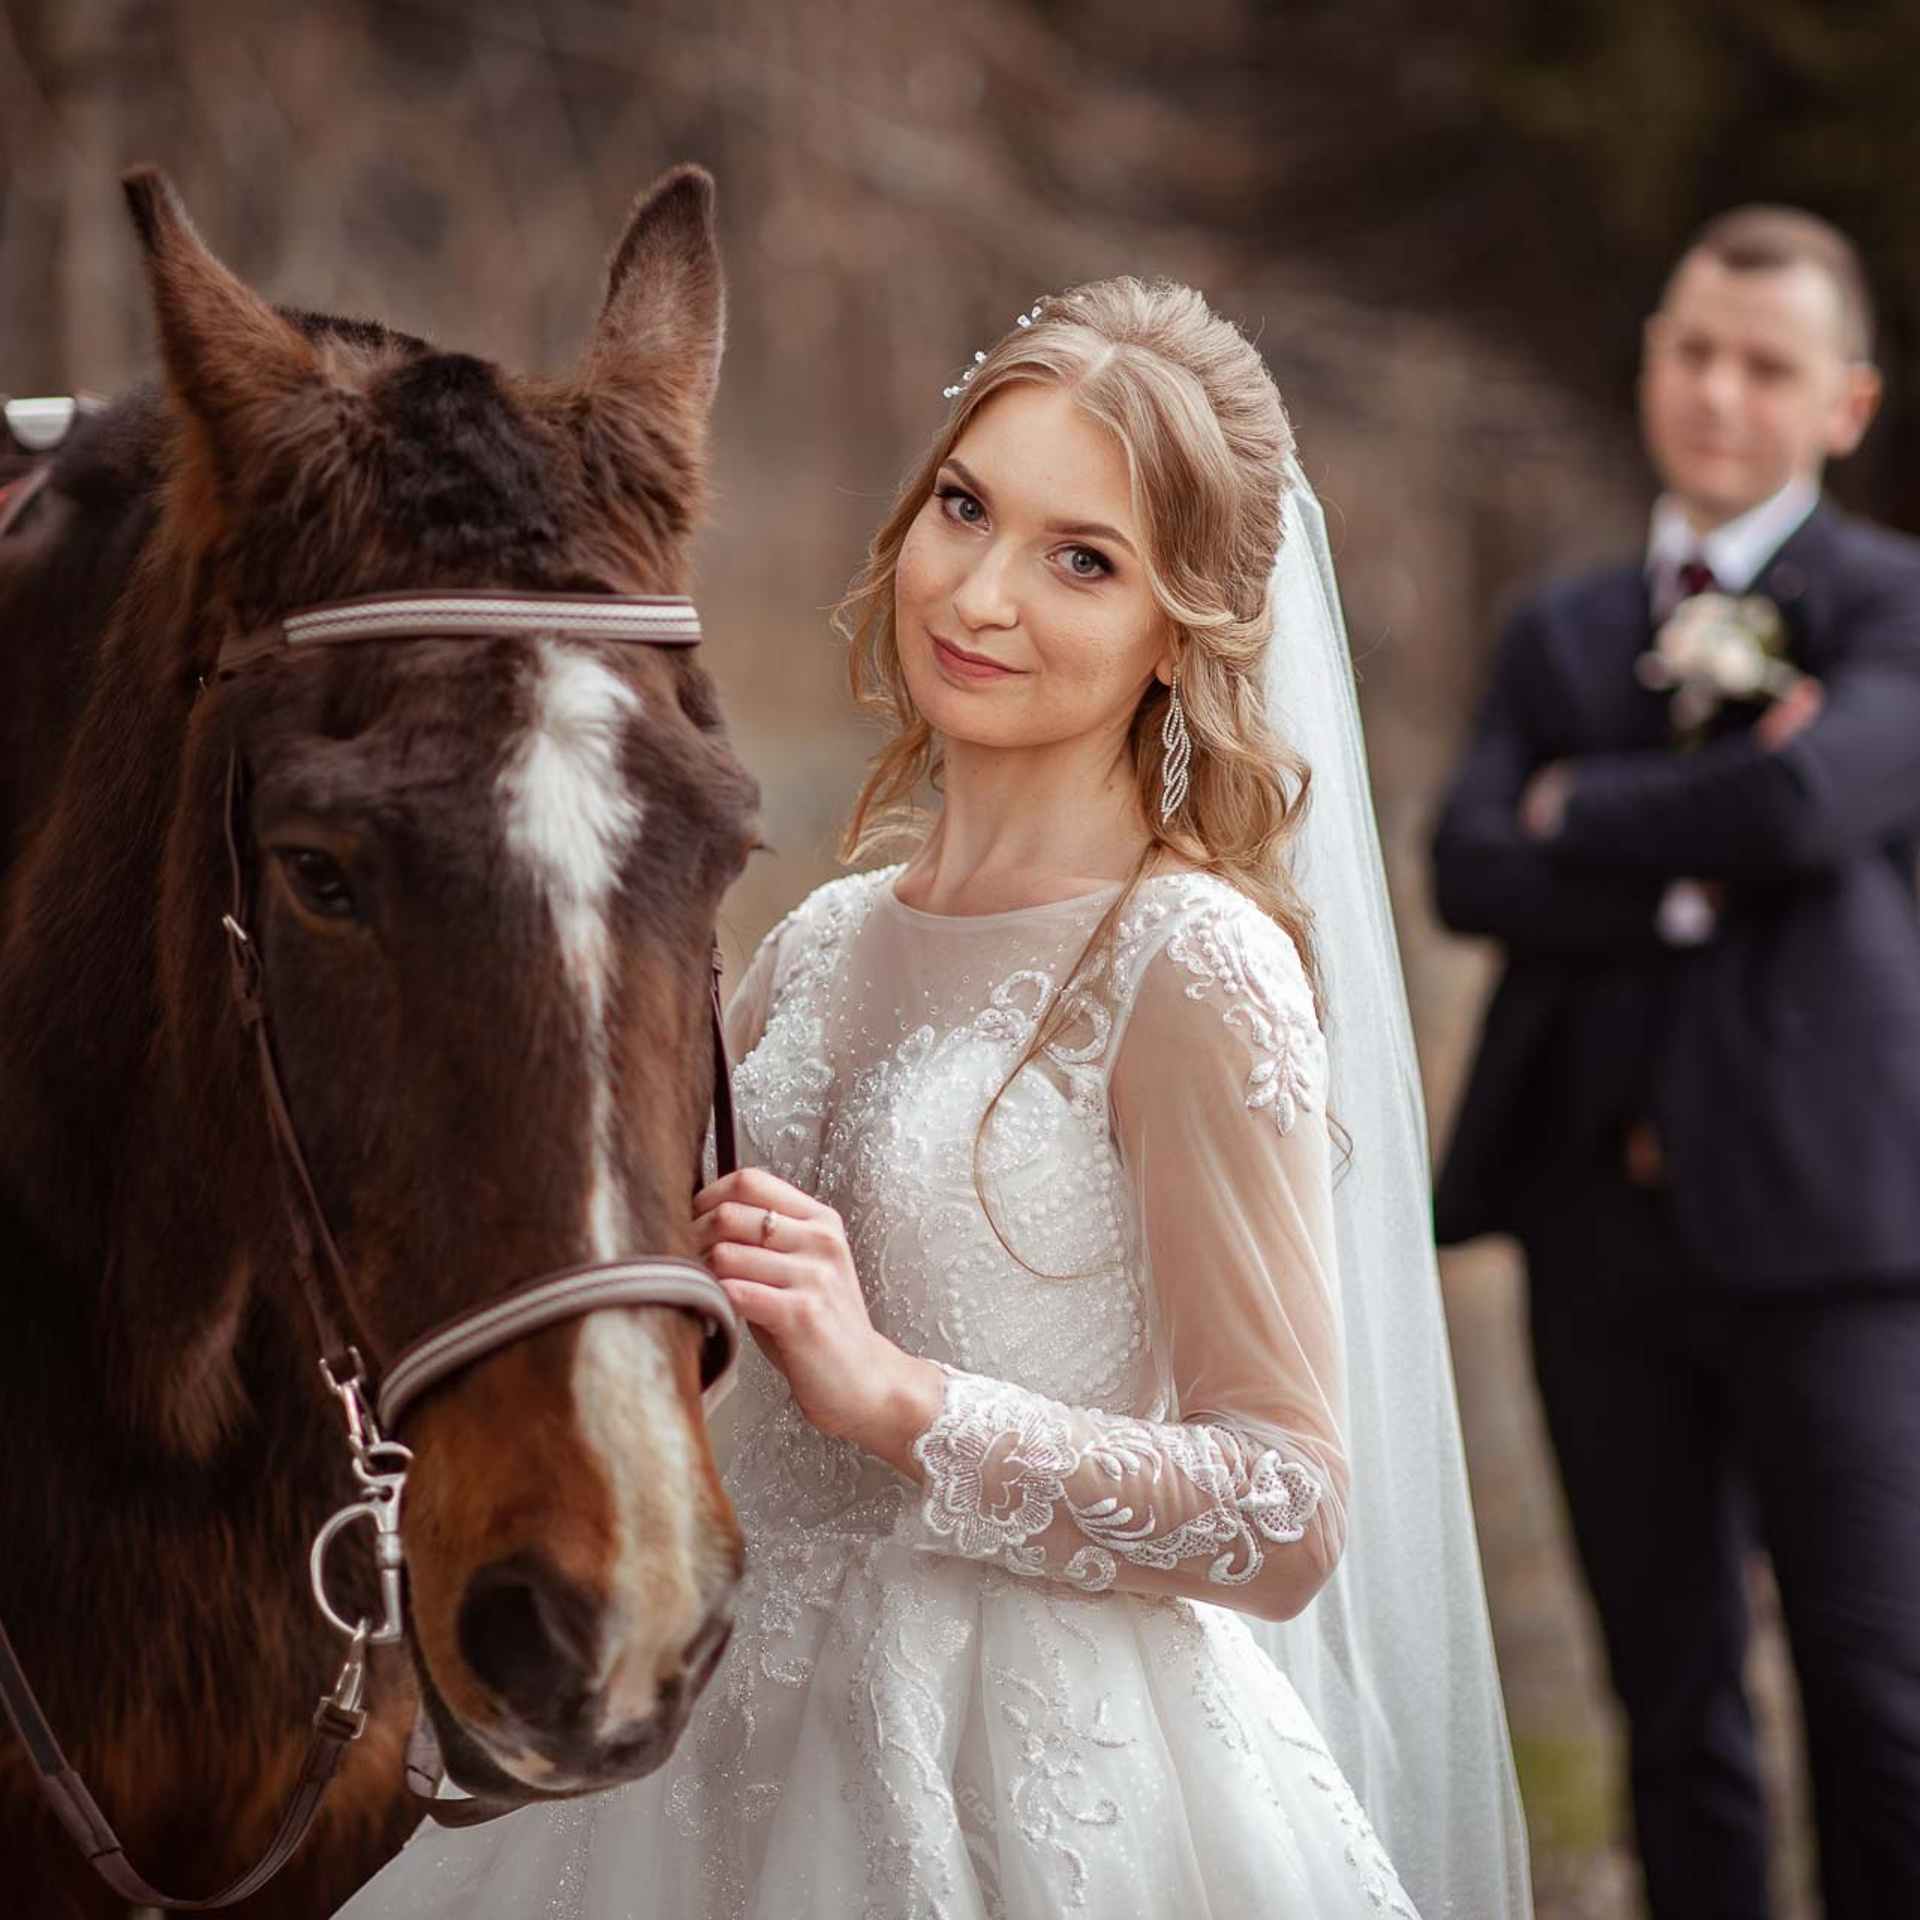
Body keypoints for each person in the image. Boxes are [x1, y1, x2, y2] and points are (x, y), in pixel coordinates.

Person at [339, 279, 1529, 1920]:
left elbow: (1286, 1509)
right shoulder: (821, 942)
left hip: (1031, 1785)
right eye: (964, 508)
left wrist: (902, 1399)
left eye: (1082, 558)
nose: (979, 591)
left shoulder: (1188, 961)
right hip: (709, 1754)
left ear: (1181, 628)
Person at [1433, 205, 1920, 1920]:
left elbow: (1812, 800)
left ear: (1843, 405)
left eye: (1767, 366)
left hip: (1837, 1241)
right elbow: (1470, 863)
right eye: (1692, 350)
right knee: (1671, 1696)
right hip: (1595, 1236)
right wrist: (1692, 859)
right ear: (1652, 356)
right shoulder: (1561, 630)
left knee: (1882, 1701)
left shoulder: (1891, 607)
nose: (1719, 391)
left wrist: (1593, 815)